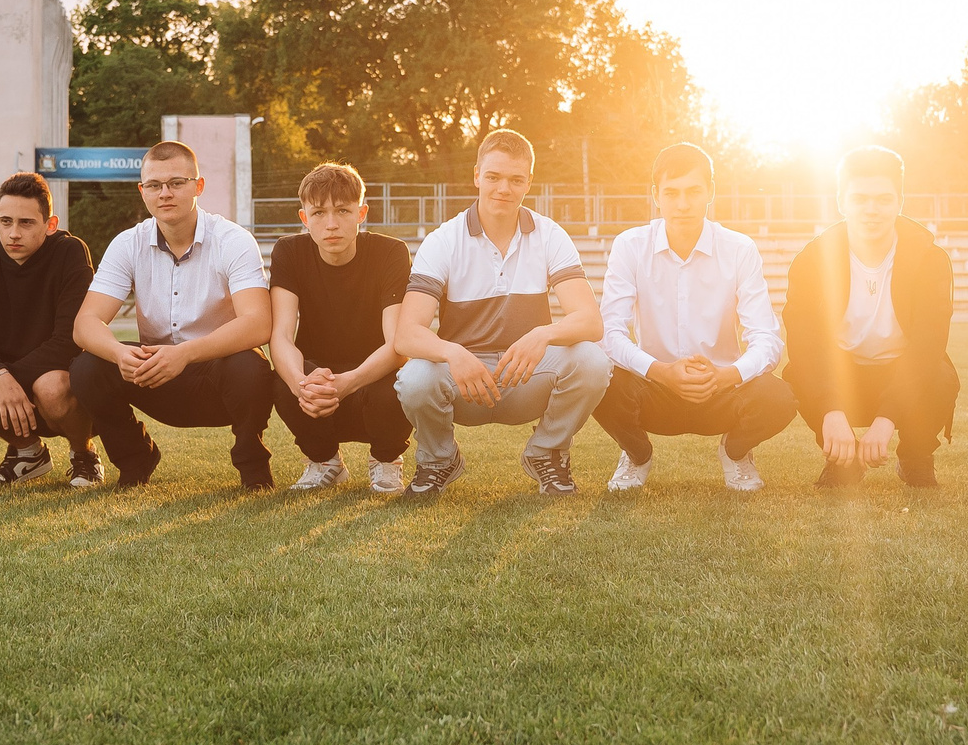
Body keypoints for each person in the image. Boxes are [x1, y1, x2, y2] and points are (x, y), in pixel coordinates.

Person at [394, 129, 610, 496]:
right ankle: (438, 459)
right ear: (477, 175)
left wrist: (541, 334)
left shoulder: (550, 235)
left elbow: (590, 321)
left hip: (524, 377)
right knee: (415, 377)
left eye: (515, 180)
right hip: (465, 379)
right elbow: (407, 334)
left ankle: (548, 452)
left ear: (529, 183)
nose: (503, 189)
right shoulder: (443, 240)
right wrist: (453, 352)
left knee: (592, 361)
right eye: (493, 177)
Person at [593, 142, 796, 494]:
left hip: (720, 389)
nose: (683, 204)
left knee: (780, 397)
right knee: (596, 376)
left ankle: (736, 452)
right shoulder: (630, 246)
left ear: (710, 193)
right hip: (654, 387)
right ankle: (636, 455)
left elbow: (766, 338)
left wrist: (725, 376)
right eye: (671, 193)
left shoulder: (739, 249)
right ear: (656, 195)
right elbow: (610, 333)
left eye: (693, 191)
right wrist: (661, 371)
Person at [72, 140, 275, 489]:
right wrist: (121, 354)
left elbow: (258, 323)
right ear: (142, 191)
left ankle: (253, 466)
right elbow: (85, 324)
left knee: (250, 366)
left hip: (217, 374)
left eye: (176, 183)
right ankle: (136, 460)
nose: (164, 193)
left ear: (198, 186)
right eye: (154, 185)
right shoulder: (127, 244)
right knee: (88, 366)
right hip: (154, 373)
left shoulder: (233, 240)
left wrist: (185, 354)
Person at [782, 146, 958, 489]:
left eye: (883, 199)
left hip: (904, 371)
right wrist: (831, 411)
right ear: (841, 201)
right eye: (860, 198)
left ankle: (915, 456)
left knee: (940, 377)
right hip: (843, 373)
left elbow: (927, 345)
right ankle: (840, 460)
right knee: (797, 375)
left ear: (899, 201)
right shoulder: (812, 260)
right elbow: (805, 347)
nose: (871, 209)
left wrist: (887, 417)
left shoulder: (930, 259)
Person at [0, 172, 99, 487]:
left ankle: (84, 454)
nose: (14, 234)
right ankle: (29, 453)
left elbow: (68, 342)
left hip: (64, 386)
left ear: (50, 225)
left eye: (26, 223)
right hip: (9, 388)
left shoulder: (70, 252)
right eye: (7, 222)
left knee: (50, 386)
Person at [268, 162, 413, 493]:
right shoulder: (289, 251)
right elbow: (280, 337)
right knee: (280, 379)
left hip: (374, 377)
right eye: (319, 213)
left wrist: (349, 382)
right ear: (304, 218)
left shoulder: (391, 252)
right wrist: (301, 384)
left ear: (361, 212)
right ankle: (324, 461)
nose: (331, 224)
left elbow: (397, 344)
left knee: (404, 380)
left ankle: (386, 461)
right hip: (318, 375)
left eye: (343, 211)